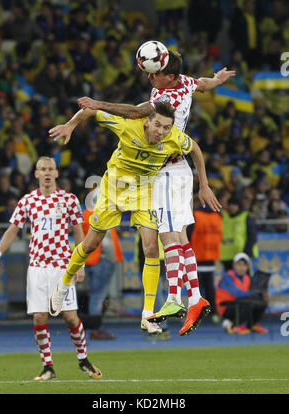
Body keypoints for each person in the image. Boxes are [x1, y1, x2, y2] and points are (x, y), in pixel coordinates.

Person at [77, 49, 232, 335]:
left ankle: (178, 298)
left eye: (155, 73)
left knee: (169, 235)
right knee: (177, 236)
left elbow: (136, 112)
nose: (149, 77)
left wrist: (97, 103)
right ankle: (192, 297)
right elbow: (202, 83)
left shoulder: (164, 101)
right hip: (176, 167)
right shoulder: (184, 81)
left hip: (169, 170)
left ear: (169, 76)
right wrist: (216, 80)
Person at [48, 102, 221, 338]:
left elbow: (196, 149)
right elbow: (90, 110)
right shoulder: (127, 125)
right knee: (90, 244)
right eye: (157, 125)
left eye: (167, 127)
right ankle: (65, 282)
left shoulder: (174, 138)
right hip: (115, 188)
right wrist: (70, 125)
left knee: (151, 249)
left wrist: (204, 184)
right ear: (147, 121)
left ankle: (147, 315)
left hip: (144, 193)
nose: (161, 131)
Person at [0, 157, 102, 381]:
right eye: (43, 169)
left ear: (57, 173)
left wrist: (79, 264)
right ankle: (48, 367)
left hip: (63, 267)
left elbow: (78, 231)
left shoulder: (69, 200)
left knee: (70, 317)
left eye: (51, 169)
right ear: (36, 174)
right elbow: (12, 230)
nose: (47, 172)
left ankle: (83, 359)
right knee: (40, 317)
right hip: (38, 268)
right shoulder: (27, 201)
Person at [82, 196, 124, 340]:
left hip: (95, 260)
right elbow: (104, 241)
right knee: (98, 296)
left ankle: (95, 328)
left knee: (96, 295)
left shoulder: (87, 214)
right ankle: (96, 329)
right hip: (102, 259)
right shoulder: (99, 214)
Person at [186, 195, 223, 321]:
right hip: (211, 255)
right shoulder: (217, 217)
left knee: (196, 287)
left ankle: (196, 313)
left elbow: (188, 234)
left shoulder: (195, 216)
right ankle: (213, 312)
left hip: (196, 255)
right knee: (209, 286)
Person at [216, 252, 268, 334]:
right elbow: (237, 293)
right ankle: (234, 326)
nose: (242, 267)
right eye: (239, 264)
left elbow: (250, 293)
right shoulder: (228, 277)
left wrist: (261, 294)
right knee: (248, 302)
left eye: (244, 265)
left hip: (238, 303)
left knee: (261, 301)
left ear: (247, 267)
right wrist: (256, 292)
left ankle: (252, 324)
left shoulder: (247, 278)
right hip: (225, 307)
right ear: (234, 265)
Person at [220, 195, 258, 271]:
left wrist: (246, 252)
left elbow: (252, 236)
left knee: (244, 280)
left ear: (239, 206)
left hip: (242, 255)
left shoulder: (246, 216)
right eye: (230, 205)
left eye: (234, 205)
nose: (232, 207)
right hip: (227, 256)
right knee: (230, 280)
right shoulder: (224, 217)